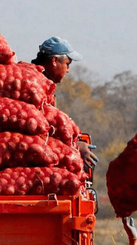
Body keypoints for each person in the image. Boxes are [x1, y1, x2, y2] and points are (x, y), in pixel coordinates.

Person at [32, 36, 98, 171]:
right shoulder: (35, 86)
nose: (68, 70)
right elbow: (42, 128)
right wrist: (75, 145)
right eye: (67, 64)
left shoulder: (45, 87)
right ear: (55, 61)